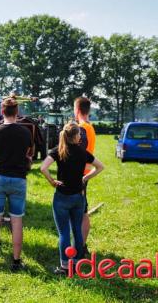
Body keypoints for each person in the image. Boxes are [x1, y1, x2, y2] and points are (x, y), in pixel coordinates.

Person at [40, 122, 104, 275]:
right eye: (80, 134)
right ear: (76, 136)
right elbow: (100, 166)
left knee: (64, 233)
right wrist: (86, 177)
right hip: (78, 198)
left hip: (61, 197)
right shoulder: (83, 152)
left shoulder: (58, 151)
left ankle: (64, 266)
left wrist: (52, 181)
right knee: (77, 230)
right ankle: (76, 263)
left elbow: (42, 168)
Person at [0, 97, 32, 271]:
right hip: (19, 179)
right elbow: (27, 154)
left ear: (2, 112)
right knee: (17, 221)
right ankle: (17, 262)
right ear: (17, 112)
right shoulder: (26, 132)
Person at [74, 96, 96, 256]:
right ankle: (81, 245)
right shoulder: (90, 127)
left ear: (78, 110)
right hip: (84, 173)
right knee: (82, 211)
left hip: (79, 175)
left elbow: (77, 153)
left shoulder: (82, 128)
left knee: (81, 212)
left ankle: (80, 248)